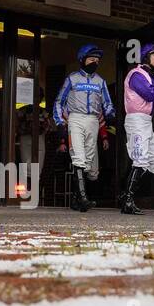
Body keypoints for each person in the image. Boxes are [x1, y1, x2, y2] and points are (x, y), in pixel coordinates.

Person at [54, 44, 114, 212]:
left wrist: (110, 113)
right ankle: (83, 197)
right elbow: (59, 101)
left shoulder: (101, 81)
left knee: (87, 162)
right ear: (82, 60)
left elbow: (108, 103)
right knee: (79, 157)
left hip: (93, 121)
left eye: (97, 60)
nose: (95, 62)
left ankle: (76, 199)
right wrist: (60, 123)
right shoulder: (72, 79)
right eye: (91, 59)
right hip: (76, 119)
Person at [120, 43, 154, 215]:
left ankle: (125, 193)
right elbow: (149, 95)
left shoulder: (152, 76)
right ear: (147, 57)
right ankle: (128, 201)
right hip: (136, 120)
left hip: (147, 122)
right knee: (140, 160)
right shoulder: (136, 74)